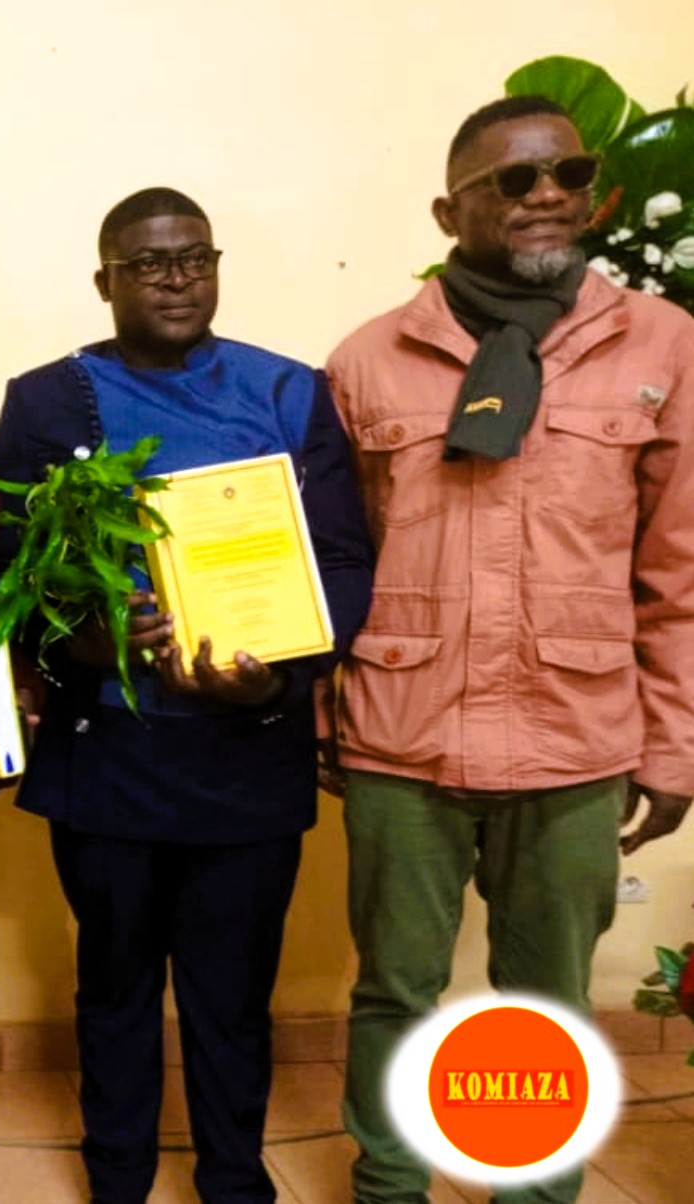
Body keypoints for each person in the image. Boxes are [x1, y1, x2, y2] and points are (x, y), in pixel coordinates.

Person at [328, 95, 694, 1204]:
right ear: (450, 212)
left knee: (547, 1007)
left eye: (567, 174)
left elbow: (679, 572)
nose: (546, 196)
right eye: (513, 180)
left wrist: (674, 743)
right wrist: (321, 717)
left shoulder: (663, 346)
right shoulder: (368, 360)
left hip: (574, 740)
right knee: (396, 993)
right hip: (403, 740)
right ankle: (389, 1187)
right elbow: (334, 568)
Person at [0, 188, 374, 1203]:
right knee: (114, 986)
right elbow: (7, 571)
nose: (176, 279)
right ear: (104, 279)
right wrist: (94, 628)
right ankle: (117, 1176)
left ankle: (234, 1180)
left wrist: (280, 668)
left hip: (249, 749)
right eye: (150, 263)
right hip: (111, 753)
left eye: (195, 258)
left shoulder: (289, 391)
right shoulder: (48, 400)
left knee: (232, 995)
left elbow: (342, 559)